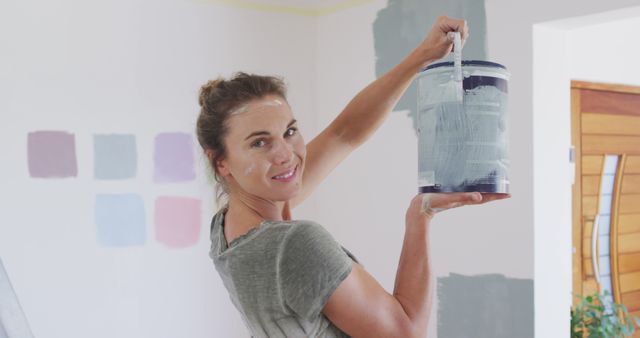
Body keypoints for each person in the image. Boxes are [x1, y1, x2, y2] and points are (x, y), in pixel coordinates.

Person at [196, 15, 509, 338]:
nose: (285, 154)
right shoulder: (296, 245)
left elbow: (342, 133)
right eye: (259, 142)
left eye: (289, 131)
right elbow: (407, 333)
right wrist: (422, 215)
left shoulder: (228, 228)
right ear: (221, 162)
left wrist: (423, 56)